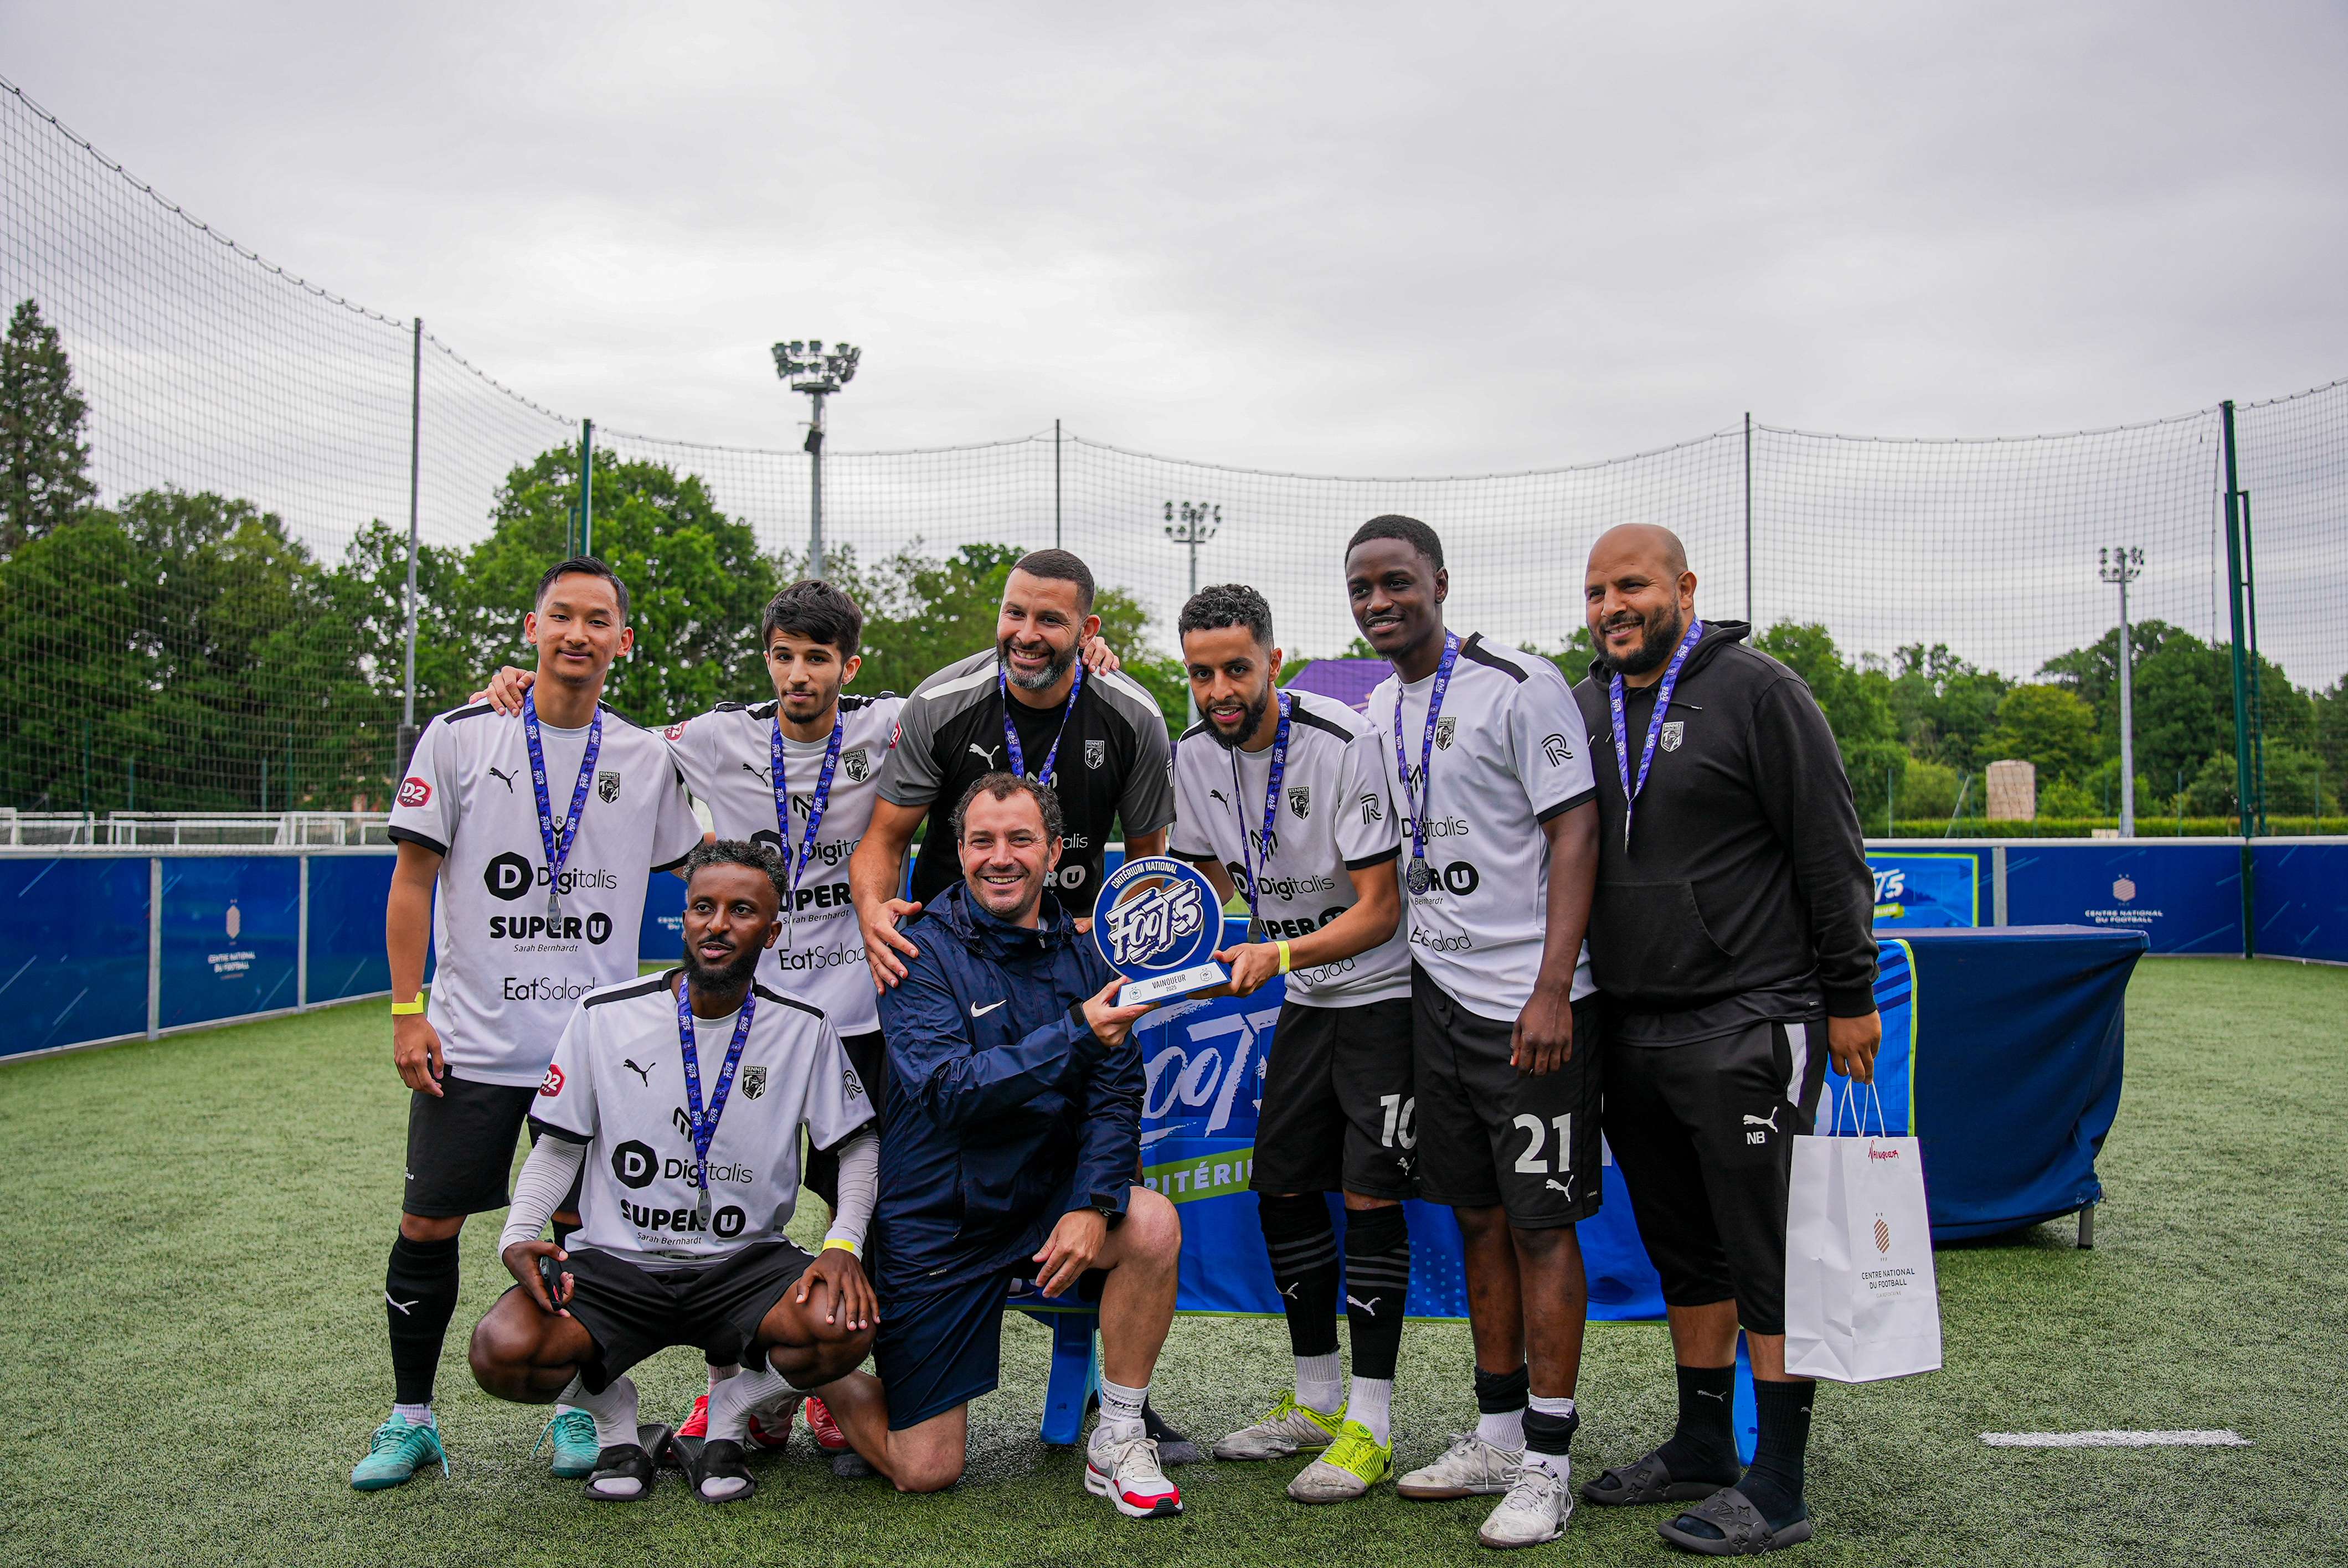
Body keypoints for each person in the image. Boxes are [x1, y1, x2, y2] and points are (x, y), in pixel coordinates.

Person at [466, 578, 1121, 1458]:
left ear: (847, 667)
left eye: (818, 658)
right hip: (757, 1015)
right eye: (784, 656)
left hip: (862, 1006)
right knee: (724, 1172)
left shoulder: (889, 721)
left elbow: (997, 673)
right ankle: (735, 1382)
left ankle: (817, 1377)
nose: (799, 674)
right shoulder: (708, 736)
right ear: (767, 658)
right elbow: (601, 726)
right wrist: (516, 688)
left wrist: (1085, 657)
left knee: (875, 1205)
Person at [356, 556, 702, 1492]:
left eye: (599, 621)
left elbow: (702, 870)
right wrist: (405, 1011)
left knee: (588, 1237)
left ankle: (582, 1414)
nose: (578, 635)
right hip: (472, 1044)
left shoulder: (645, 755)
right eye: (562, 617)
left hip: (593, 1054)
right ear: (532, 627)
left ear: (623, 642)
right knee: (428, 1225)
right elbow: (412, 881)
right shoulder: (462, 735)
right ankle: (412, 1418)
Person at [1569, 524, 1879, 1556]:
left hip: (1754, 1013)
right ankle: (1703, 1440)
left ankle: (1779, 1480)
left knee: (1766, 1252)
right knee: (1684, 1250)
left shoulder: (1760, 691)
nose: (1613, 606)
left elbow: (1832, 850)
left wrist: (1850, 994)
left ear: (1685, 588)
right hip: (1632, 1022)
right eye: (1598, 590)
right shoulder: (1582, 706)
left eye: (1633, 586)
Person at [813, 773, 1187, 1517]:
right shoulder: (915, 950)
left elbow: (1116, 1093)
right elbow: (951, 1090)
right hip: (939, 1221)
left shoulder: (1087, 951)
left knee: (1150, 1223)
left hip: (1044, 1199)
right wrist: (1079, 1028)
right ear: (958, 852)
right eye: (982, 841)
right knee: (926, 1470)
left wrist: (1092, 1203)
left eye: (1020, 839)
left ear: (1053, 851)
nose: (1000, 857)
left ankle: (1116, 1436)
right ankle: (806, 1373)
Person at [467, 840, 882, 1505]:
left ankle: (729, 1414)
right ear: (685, 918)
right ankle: (616, 1420)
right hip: (617, 1264)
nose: (717, 925)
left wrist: (842, 1246)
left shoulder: (803, 1028)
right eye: (703, 908)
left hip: (745, 1263)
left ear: (772, 931)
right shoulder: (604, 1015)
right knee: (502, 1350)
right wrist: (516, 1234)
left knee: (845, 1324)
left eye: (741, 911)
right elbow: (559, 1146)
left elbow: (857, 1148)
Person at [1348, 515, 1604, 1549]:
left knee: (1543, 1224)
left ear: (1440, 582)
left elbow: (1574, 829)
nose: (1379, 603)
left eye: (1397, 582)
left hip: (1532, 1003)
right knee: (1478, 1219)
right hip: (1438, 1002)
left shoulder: (1516, 682)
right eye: (1362, 588)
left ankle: (1550, 1460)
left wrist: (1552, 986)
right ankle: (1499, 1431)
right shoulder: (1376, 709)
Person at [1162, 584, 1418, 1502]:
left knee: (1368, 1194)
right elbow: (1203, 881)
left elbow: (1381, 909)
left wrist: (1277, 949)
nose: (1220, 689)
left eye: (1237, 668)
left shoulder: (1346, 743)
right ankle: (1314, 1402)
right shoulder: (1193, 754)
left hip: (1386, 991)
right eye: (1201, 672)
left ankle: (1371, 1424)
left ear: (1274, 659)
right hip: (1306, 991)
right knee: (1282, 1185)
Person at [849, 548, 1175, 981]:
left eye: (1050, 620)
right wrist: (872, 911)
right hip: (949, 951)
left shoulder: (1135, 717)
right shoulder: (937, 704)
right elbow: (885, 840)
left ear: (1087, 631)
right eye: (1014, 614)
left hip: (1070, 947)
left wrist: (1119, 928)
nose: (1026, 634)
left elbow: (1147, 859)